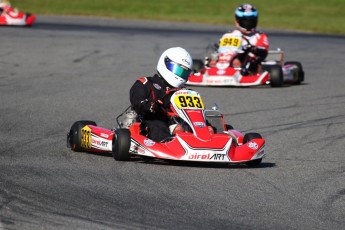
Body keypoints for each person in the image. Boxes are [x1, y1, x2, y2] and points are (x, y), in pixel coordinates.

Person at [129, 47, 193, 142]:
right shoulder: (146, 83)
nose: (181, 75)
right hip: (153, 121)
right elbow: (138, 102)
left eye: (184, 73)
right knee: (157, 124)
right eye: (179, 70)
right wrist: (150, 105)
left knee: (205, 125)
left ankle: (210, 140)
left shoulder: (184, 92)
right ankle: (167, 143)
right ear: (166, 64)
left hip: (180, 121)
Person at [210, 4, 269, 75]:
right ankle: (215, 68)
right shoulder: (229, 35)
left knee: (238, 60)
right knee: (214, 59)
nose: (248, 25)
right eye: (246, 22)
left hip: (250, 64)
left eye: (251, 22)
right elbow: (221, 48)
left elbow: (263, 51)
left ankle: (238, 70)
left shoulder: (260, 36)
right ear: (237, 21)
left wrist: (252, 48)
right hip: (227, 58)